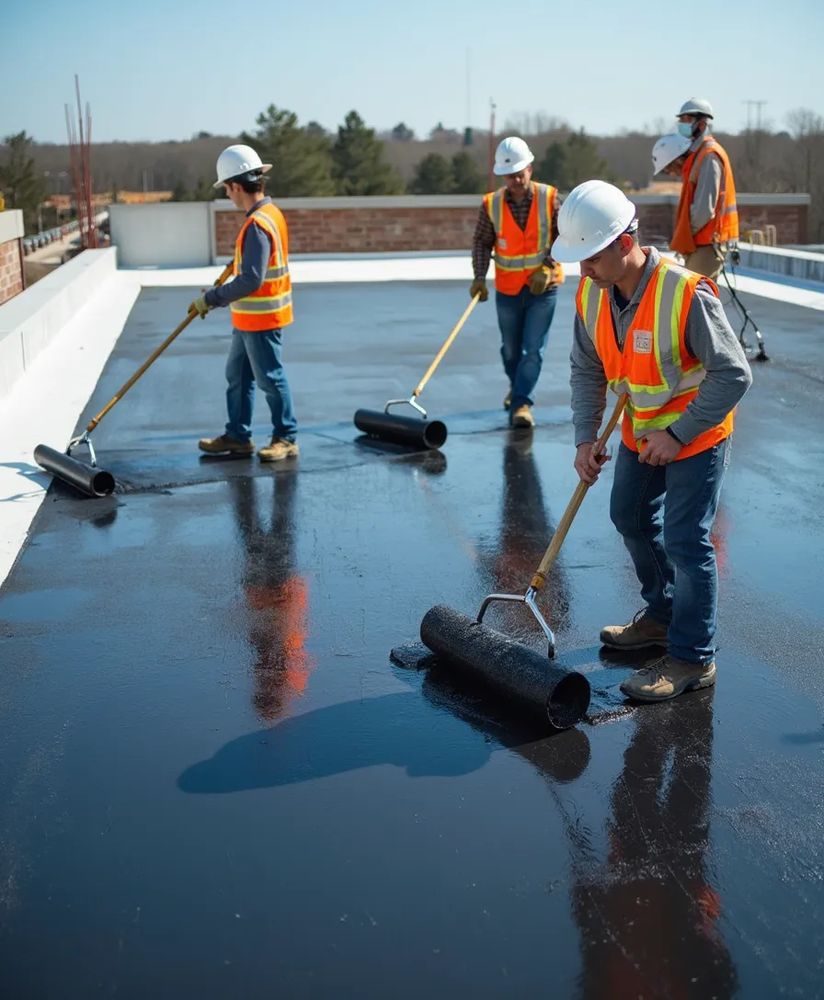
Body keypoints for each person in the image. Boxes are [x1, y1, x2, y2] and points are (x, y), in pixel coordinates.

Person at [551, 179, 752, 703]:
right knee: (630, 518)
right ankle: (662, 616)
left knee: (687, 540)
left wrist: (678, 432)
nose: (582, 270)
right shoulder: (592, 293)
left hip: (697, 433)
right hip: (641, 429)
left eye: (589, 257)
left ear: (624, 242)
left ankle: (692, 657)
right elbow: (586, 368)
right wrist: (583, 438)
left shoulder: (686, 293)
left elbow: (733, 375)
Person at [192, 144, 298, 462]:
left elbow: (252, 279)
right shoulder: (268, 214)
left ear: (237, 185)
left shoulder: (258, 225)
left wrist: (211, 298)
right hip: (247, 318)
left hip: (262, 318)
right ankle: (238, 436)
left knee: (269, 378)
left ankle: (286, 436)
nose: (228, 195)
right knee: (237, 375)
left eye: (227, 188)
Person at [470, 136, 563, 429]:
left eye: (519, 174)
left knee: (532, 349)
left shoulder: (549, 198)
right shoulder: (491, 204)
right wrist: (479, 277)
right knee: (510, 350)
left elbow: (564, 237)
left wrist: (546, 267)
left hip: (543, 289)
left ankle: (522, 403)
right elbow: (482, 243)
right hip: (508, 289)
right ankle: (518, 386)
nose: (515, 180)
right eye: (509, 176)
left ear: (530, 169)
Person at [666, 98, 739, 279]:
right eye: (681, 120)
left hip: (707, 244)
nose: (682, 124)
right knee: (694, 300)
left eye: (687, 120)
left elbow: (704, 209)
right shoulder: (699, 154)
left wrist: (685, 236)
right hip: (700, 243)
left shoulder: (709, 156)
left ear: (702, 123)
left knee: (695, 300)